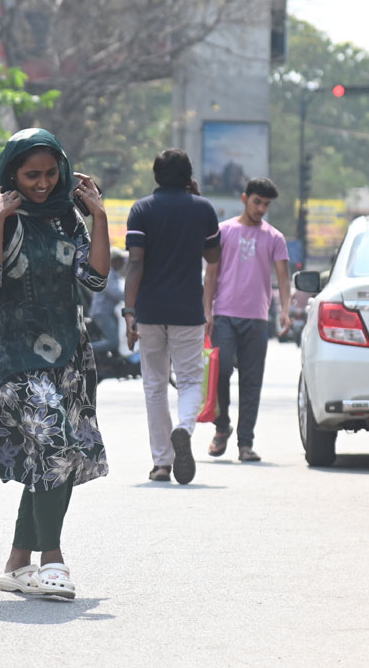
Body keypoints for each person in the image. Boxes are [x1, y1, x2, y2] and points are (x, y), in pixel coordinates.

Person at [0, 128, 110, 599]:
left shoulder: (67, 218)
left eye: (50, 173)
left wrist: (98, 215)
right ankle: (52, 560)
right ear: (11, 173)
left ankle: (17, 564)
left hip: (65, 353)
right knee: (54, 435)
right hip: (6, 353)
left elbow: (95, 279)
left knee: (57, 452)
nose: (42, 183)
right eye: (32, 174)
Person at [124, 148, 221, 484]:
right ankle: (184, 428)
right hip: (187, 310)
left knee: (154, 385)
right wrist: (197, 202)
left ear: (156, 175)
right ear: (189, 177)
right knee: (190, 381)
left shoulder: (142, 209)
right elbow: (213, 257)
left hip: (150, 310)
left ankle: (162, 463)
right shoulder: (203, 209)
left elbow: (135, 263)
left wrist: (129, 312)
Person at [202, 177, 291, 463]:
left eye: (266, 204)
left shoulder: (274, 237)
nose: (261, 208)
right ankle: (222, 426)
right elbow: (211, 274)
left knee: (251, 381)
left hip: (257, 317)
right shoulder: (224, 231)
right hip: (224, 315)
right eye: (257, 202)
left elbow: (283, 278)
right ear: (244, 199)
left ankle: (246, 443)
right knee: (220, 372)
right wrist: (207, 311)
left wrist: (285, 310)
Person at [89, 247, 126, 356]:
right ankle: (83, 351)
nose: (122, 263)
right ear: (113, 261)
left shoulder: (116, 275)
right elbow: (116, 292)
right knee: (114, 341)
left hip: (109, 312)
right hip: (102, 313)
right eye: (119, 260)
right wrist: (133, 299)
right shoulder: (108, 274)